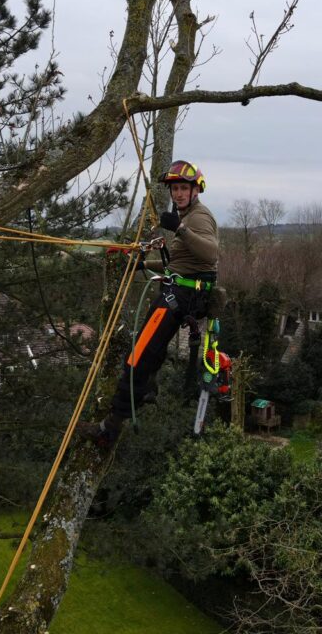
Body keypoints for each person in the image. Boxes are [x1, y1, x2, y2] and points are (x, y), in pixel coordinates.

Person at [81, 160, 218, 448]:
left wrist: (181, 229)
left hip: (181, 296)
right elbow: (180, 263)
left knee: (139, 353)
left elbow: (210, 254)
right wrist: (143, 264)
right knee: (147, 350)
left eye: (183, 188)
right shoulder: (189, 215)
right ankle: (146, 389)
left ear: (196, 190)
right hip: (177, 291)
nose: (178, 194)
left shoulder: (199, 216)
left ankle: (110, 428)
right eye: (175, 189)